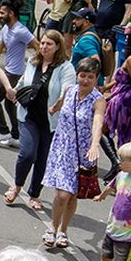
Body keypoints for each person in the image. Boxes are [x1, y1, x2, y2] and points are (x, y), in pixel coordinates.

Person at [4, 31, 72, 214]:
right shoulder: (33, 62)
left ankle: (34, 195)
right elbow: (24, 81)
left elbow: (67, 88)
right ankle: (17, 187)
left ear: (58, 46)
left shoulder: (65, 67)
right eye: (42, 43)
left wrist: (59, 103)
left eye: (49, 44)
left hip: (50, 121)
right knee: (27, 153)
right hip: (28, 116)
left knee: (42, 159)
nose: (44, 47)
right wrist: (15, 90)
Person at [44, 59, 106, 251]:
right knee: (63, 194)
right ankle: (52, 228)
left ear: (96, 79)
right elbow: (61, 102)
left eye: (90, 77)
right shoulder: (70, 90)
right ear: (77, 75)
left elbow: (98, 122)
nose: (85, 80)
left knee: (72, 196)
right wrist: (54, 107)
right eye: (82, 75)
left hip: (82, 153)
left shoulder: (98, 100)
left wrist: (95, 144)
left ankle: (63, 230)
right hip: (63, 148)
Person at [0, 0, 34, 146]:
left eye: (2, 13)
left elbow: (38, 45)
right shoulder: (5, 29)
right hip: (8, 70)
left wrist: (36, 63)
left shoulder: (21, 31)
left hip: (14, 73)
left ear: (11, 13)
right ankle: (16, 136)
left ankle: (3, 131)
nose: (0, 15)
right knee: (9, 104)